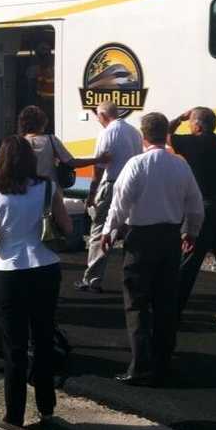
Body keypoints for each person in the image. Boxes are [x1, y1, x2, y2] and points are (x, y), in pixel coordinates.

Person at [101, 112, 204, 387]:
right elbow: (195, 204)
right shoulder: (180, 166)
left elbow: (119, 202)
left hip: (141, 239)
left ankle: (140, 366)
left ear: (144, 136)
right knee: (165, 303)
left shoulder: (136, 165)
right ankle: (163, 362)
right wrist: (190, 231)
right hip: (170, 238)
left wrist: (108, 231)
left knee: (136, 304)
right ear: (163, 134)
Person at [0, 135, 71, 427]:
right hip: (45, 266)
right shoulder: (47, 187)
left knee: (14, 345)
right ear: (31, 160)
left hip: (9, 269)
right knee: (43, 338)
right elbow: (67, 227)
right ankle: (46, 409)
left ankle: (14, 414)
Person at [169, 107, 216, 326]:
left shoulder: (189, 143)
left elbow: (166, 134)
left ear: (197, 125)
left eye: (191, 122)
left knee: (189, 263)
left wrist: (180, 117)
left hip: (200, 209)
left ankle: (174, 312)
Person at [75, 101, 142, 293]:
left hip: (112, 184)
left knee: (100, 231)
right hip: (133, 187)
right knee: (130, 231)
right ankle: (132, 277)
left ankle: (92, 280)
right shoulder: (134, 132)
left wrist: (92, 192)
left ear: (103, 115)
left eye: (97, 115)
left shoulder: (107, 133)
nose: (97, 119)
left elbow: (99, 167)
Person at [17, 105, 103, 190]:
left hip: (26, 190)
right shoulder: (51, 140)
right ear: (42, 122)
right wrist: (98, 159)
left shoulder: (18, 143)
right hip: (49, 191)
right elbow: (72, 162)